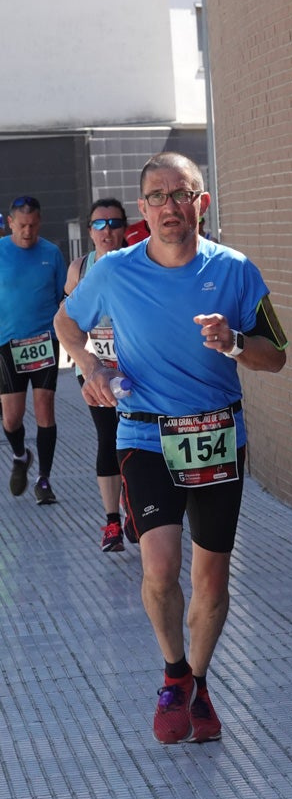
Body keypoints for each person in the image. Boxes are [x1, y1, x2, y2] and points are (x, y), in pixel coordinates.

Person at [55, 152, 287, 744]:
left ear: (201, 203)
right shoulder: (113, 270)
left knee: (210, 579)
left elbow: (277, 352)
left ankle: (200, 681)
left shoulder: (236, 271)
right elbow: (66, 321)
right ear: (144, 209)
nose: (169, 207)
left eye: (180, 194)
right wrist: (88, 367)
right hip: (144, 432)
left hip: (216, 436)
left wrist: (234, 342)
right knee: (160, 569)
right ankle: (173, 671)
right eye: (156, 197)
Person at [64, 198, 129, 552]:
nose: (108, 231)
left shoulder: (140, 262)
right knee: (108, 438)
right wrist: (89, 362)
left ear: (126, 227)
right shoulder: (79, 269)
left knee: (135, 440)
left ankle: (135, 506)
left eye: (114, 223)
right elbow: (69, 323)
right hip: (93, 370)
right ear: (90, 232)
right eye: (99, 225)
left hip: (135, 371)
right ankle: (111, 523)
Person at [0, 195, 66, 503]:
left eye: (34, 225)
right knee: (11, 419)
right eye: (22, 225)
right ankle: (19, 455)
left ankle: (44, 479)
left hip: (43, 343)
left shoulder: (51, 254)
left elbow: (61, 299)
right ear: (10, 222)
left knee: (45, 409)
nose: (28, 232)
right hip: (8, 344)